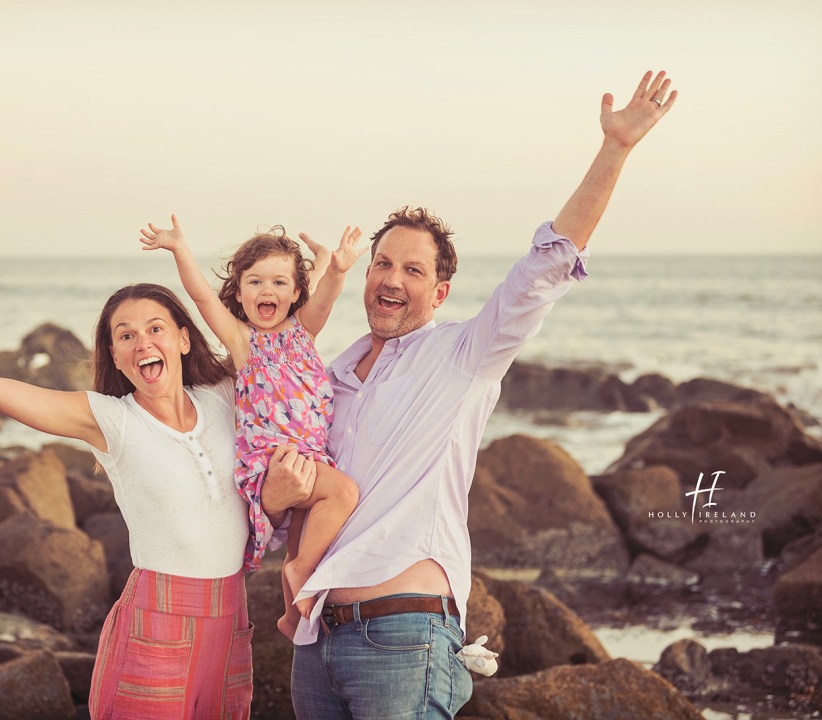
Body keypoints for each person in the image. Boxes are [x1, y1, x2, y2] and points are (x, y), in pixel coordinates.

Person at [261, 70, 679, 719]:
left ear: (440, 292)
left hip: (403, 639)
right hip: (317, 644)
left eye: (413, 269)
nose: (392, 279)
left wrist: (615, 149)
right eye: (382, 263)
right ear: (366, 273)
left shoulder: (463, 355)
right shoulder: (329, 380)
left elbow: (545, 266)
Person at [0, 283, 284, 719]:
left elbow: (283, 344)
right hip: (157, 624)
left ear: (183, 339)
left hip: (231, 620)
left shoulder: (226, 395)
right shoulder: (109, 419)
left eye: (154, 329)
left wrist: (332, 271)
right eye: (126, 336)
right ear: (116, 358)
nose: (142, 343)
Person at [139, 217, 364, 637]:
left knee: (309, 524)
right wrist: (179, 249)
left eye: (279, 284)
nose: (267, 291)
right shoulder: (244, 341)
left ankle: (292, 616)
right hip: (271, 460)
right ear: (239, 293)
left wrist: (335, 268)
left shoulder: (304, 330)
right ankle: (298, 570)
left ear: (297, 293)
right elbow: (203, 299)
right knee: (344, 492)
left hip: (310, 457)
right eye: (255, 282)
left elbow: (326, 295)